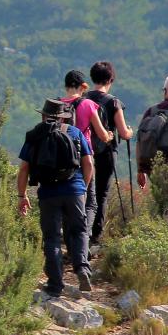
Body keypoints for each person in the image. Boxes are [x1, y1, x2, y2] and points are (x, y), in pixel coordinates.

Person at [17, 98, 94, 295]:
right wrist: (82, 188)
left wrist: (22, 195)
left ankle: (55, 284)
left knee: (51, 237)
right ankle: (82, 268)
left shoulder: (35, 136)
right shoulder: (75, 133)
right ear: (62, 118)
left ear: (43, 115)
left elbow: (24, 168)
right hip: (74, 190)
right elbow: (89, 164)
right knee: (79, 231)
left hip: (48, 193)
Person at [61, 69, 114, 252]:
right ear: (84, 86)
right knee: (90, 201)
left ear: (66, 86)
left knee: (66, 203)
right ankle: (84, 241)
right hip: (84, 159)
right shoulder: (88, 105)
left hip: (60, 162)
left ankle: (70, 245)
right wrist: (109, 136)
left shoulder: (57, 105)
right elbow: (102, 135)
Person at [84, 60, 134, 246]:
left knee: (84, 192)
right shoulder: (113, 102)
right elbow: (122, 132)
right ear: (111, 79)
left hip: (84, 152)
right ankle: (95, 236)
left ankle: (80, 233)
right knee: (101, 193)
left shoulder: (83, 100)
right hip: (106, 153)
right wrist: (130, 132)